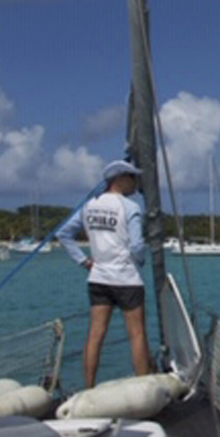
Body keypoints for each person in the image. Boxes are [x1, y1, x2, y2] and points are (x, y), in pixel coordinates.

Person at [56, 159, 150, 388]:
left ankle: (89, 387)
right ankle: (144, 387)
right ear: (119, 179)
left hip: (98, 278)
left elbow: (63, 234)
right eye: (132, 177)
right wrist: (140, 261)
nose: (136, 183)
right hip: (126, 278)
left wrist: (83, 261)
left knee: (95, 334)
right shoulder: (130, 208)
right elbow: (137, 246)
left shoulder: (89, 206)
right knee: (137, 334)